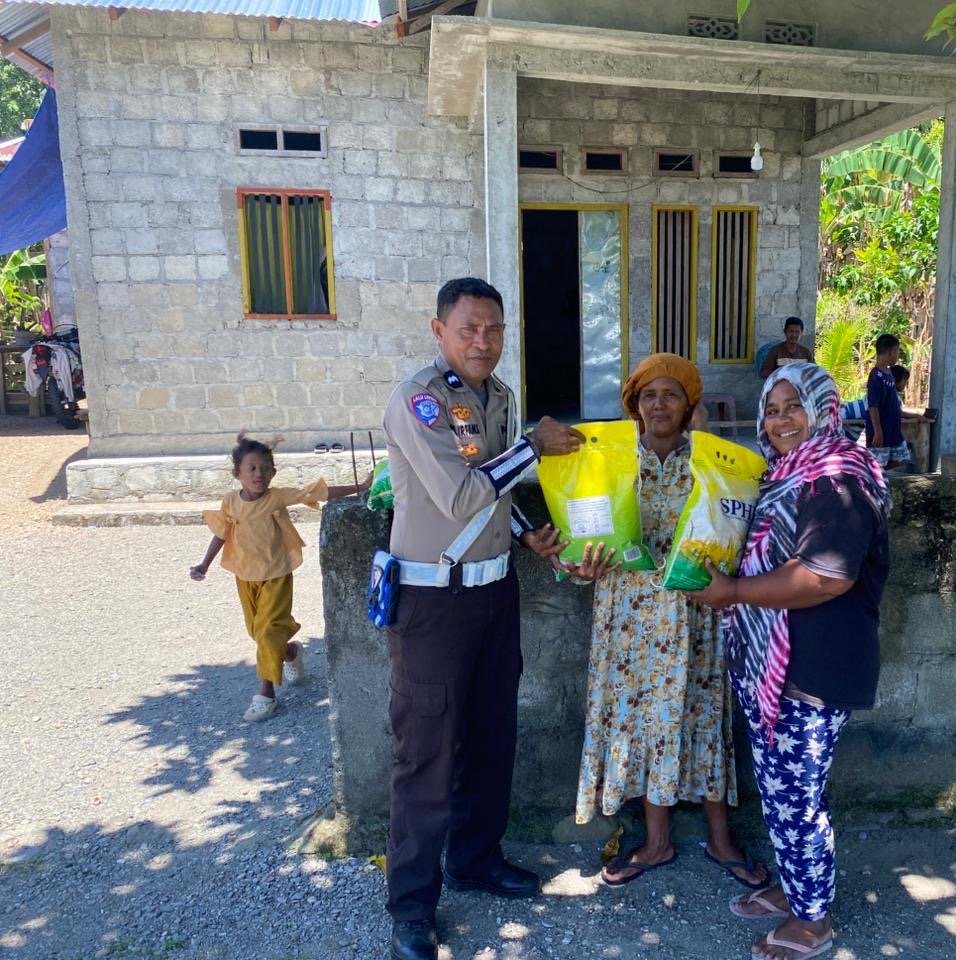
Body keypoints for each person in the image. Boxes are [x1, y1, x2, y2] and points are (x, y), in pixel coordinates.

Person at [380, 277, 584, 960]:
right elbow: (462, 493)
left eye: (494, 328)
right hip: (433, 603)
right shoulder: (420, 401)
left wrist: (528, 535)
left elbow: (499, 495)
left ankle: (474, 859)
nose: (483, 341)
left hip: (496, 594)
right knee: (426, 755)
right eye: (468, 328)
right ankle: (412, 906)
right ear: (439, 330)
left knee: (492, 736)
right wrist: (534, 445)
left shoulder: (497, 396)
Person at [688, 362, 891, 960]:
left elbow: (826, 575)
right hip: (776, 664)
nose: (780, 421)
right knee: (781, 792)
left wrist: (732, 592)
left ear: (823, 408)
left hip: (816, 666)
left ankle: (813, 922)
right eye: (772, 410)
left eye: (793, 407)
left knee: (797, 798)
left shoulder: (837, 476)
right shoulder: (785, 475)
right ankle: (798, 889)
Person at [566, 353, 768, 891]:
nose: (659, 404)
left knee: (704, 715)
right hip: (629, 621)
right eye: (648, 395)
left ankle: (721, 840)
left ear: (689, 404)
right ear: (634, 404)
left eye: (671, 394)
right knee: (645, 723)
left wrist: (703, 445)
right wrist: (581, 566)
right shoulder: (610, 463)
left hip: (695, 615)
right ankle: (656, 843)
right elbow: (581, 538)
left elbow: (734, 532)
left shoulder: (712, 465)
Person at [189, 431, 368, 721]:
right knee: (258, 633)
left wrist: (361, 486)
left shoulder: (277, 498)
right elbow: (221, 533)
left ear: (273, 472)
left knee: (268, 631)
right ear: (237, 474)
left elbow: (315, 493)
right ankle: (290, 653)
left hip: (276, 575)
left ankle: (266, 694)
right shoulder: (230, 503)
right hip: (245, 577)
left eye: (265, 468)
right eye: (251, 468)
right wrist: (204, 564)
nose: (258, 474)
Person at [867, 333, 910, 470]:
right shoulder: (876, 376)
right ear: (891, 352)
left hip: (893, 430)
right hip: (881, 430)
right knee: (877, 465)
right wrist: (877, 431)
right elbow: (873, 406)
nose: (898, 355)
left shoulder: (889, 373)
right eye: (897, 351)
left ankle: (881, 475)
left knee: (902, 458)